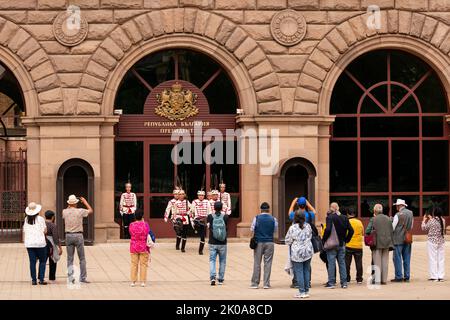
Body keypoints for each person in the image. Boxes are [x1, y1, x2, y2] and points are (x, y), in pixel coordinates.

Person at [62, 194, 93, 284]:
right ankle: (83, 278)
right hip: (78, 235)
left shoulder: (64, 211)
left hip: (68, 235)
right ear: (75, 203)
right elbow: (91, 210)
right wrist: (85, 202)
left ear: (69, 203)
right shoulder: (80, 211)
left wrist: (70, 204)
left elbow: (67, 209)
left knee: (69, 258)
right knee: (82, 258)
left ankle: (71, 278)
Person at [322, 202, 354, 289]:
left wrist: (324, 239)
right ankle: (344, 283)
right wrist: (346, 240)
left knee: (331, 263)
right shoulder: (344, 217)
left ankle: (331, 282)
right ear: (338, 208)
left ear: (331, 208)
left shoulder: (330, 217)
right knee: (342, 263)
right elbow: (351, 230)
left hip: (332, 244)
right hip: (342, 243)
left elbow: (328, 229)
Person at [285, 213, 314, 298]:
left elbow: (288, 240)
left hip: (297, 252)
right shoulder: (308, 226)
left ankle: (302, 291)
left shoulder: (293, 227)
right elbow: (311, 236)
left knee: (299, 271)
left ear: (295, 218)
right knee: (306, 270)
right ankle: (306, 290)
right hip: (308, 250)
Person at [250, 202, 278, 289]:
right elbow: (275, 230)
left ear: (261, 209)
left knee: (257, 262)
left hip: (259, 241)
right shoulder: (273, 219)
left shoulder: (257, 218)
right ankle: (266, 283)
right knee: (268, 263)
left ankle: (255, 283)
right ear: (269, 210)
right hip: (269, 242)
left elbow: (252, 229)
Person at [366, 204, 394, 285]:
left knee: (377, 262)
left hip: (377, 243)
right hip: (387, 242)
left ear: (374, 211)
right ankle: (384, 280)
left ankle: (377, 280)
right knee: (385, 261)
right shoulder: (388, 219)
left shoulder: (373, 219)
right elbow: (391, 230)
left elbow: (367, 231)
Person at [23, 202, 47, 285]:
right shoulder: (41, 219)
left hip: (29, 243)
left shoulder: (26, 220)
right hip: (40, 243)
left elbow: (24, 230)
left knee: (32, 261)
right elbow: (45, 231)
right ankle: (41, 279)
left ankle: (33, 280)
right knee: (42, 261)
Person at [391, 199, 413, 282]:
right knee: (407, 258)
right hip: (407, 239)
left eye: (396, 205)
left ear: (399, 206)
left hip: (398, 239)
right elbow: (411, 226)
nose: (396, 207)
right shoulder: (410, 213)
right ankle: (407, 276)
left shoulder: (397, 215)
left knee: (397, 258)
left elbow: (392, 227)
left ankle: (399, 276)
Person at [207, 201, 229, 286]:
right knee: (222, 261)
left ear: (214, 208)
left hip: (212, 242)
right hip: (223, 242)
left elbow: (208, 226)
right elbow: (226, 227)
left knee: (212, 260)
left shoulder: (210, 216)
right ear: (222, 208)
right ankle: (220, 279)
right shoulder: (226, 217)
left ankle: (213, 277)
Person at [421, 206, 446, 282]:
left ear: (434, 213)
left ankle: (434, 276)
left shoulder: (432, 221)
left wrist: (424, 220)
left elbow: (424, 228)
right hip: (441, 241)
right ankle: (440, 276)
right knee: (441, 259)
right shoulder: (443, 220)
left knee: (433, 259)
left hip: (432, 241)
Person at [129, 209, 150, 287]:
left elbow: (130, 233)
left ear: (135, 216)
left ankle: (133, 281)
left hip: (134, 246)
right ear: (142, 216)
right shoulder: (145, 224)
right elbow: (147, 233)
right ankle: (143, 281)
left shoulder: (131, 225)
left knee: (134, 264)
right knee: (143, 264)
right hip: (143, 246)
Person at [344, 208, 364, 284]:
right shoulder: (359, 222)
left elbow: (345, 233)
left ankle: (347, 278)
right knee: (359, 263)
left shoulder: (347, 222)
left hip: (349, 244)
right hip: (358, 246)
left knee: (347, 263)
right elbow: (362, 233)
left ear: (348, 214)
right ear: (355, 214)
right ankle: (359, 279)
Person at [191, 190, 211, 255]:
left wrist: (208, 222)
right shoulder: (194, 202)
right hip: (197, 219)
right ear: (198, 196)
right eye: (200, 195)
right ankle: (195, 229)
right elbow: (192, 211)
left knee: (202, 236)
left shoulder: (207, 202)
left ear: (204, 196)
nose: (201, 197)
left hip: (204, 219)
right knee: (197, 225)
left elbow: (209, 212)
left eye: (202, 195)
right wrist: (192, 220)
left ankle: (200, 250)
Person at [45, 210, 62, 282]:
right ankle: (52, 278)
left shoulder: (43, 224)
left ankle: (40, 276)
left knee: (43, 261)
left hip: (43, 242)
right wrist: (60, 247)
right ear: (52, 217)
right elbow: (55, 237)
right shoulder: (53, 225)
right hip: (51, 243)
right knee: (53, 260)